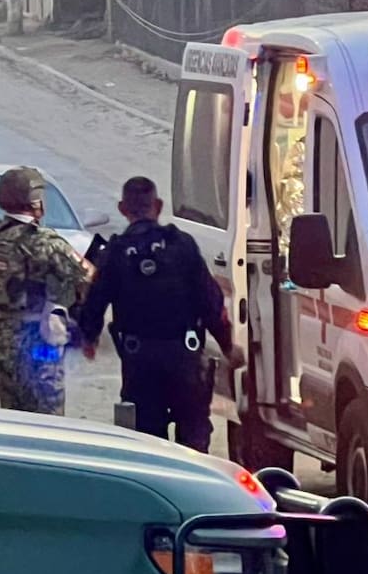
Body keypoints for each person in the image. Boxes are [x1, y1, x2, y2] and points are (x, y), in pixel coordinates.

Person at [79, 177, 244, 453]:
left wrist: (89, 338)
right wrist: (228, 345)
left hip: (139, 362)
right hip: (186, 359)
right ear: (158, 205)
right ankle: (193, 491)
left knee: (147, 443)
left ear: (122, 209)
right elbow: (211, 301)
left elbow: (95, 301)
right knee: (193, 439)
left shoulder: (116, 251)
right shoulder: (182, 245)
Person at [0, 167, 92, 416]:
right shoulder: (45, 242)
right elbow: (87, 276)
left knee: (13, 417)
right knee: (49, 421)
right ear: (35, 201)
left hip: (0, 343)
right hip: (38, 342)